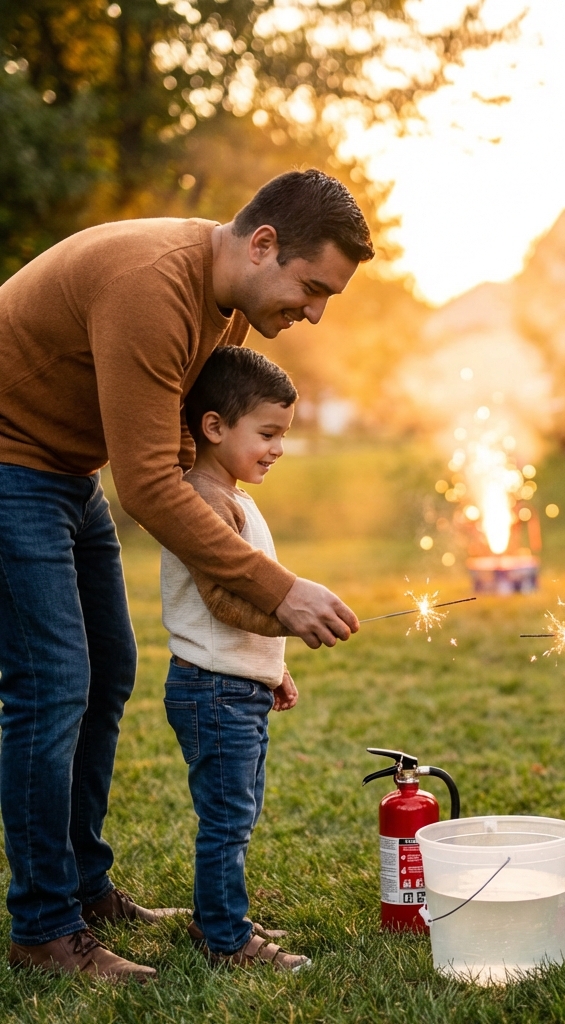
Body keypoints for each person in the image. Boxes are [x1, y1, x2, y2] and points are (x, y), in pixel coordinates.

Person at [0, 170, 372, 980]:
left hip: (64, 469)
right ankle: (43, 929)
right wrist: (279, 590)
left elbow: (177, 446)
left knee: (106, 673)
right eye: (312, 288)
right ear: (263, 244)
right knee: (52, 683)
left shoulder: (228, 302)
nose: (313, 312)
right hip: (10, 461)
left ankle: (85, 887)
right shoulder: (152, 287)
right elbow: (150, 487)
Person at [161, 346, 309, 972]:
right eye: (267, 433)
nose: (277, 448)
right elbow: (224, 602)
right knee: (227, 817)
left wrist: (272, 667)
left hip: (233, 687)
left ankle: (213, 914)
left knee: (237, 808)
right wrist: (291, 620)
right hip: (212, 690)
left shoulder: (235, 497)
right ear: (215, 426)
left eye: (283, 435)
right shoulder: (205, 500)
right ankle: (225, 937)